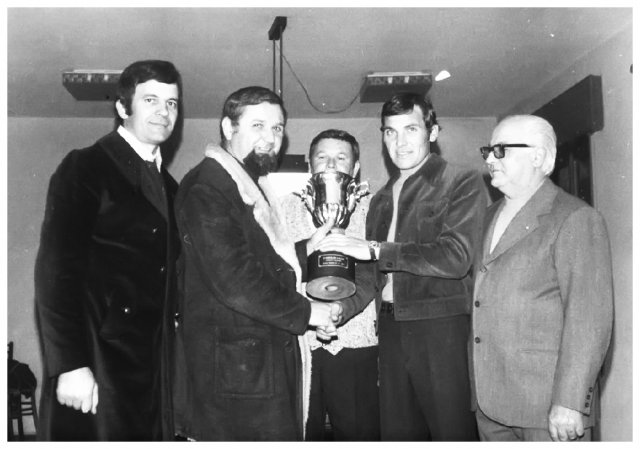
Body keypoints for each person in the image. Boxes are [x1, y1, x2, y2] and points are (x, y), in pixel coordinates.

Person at [172, 86, 341, 441]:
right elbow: (235, 279)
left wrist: (305, 249)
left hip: (254, 368)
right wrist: (308, 312)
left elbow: (258, 257)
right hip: (236, 376)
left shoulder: (243, 182)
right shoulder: (209, 186)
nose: (270, 137)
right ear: (228, 127)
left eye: (277, 128)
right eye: (258, 125)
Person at [317, 93, 485, 441]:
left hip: (440, 329)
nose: (400, 142)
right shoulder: (380, 198)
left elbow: (455, 257)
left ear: (432, 132)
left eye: (411, 129)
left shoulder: (462, 181)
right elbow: (370, 274)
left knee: (452, 433)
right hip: (390, 330)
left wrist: (376, 249)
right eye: (390, 132)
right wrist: (338, 309)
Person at [34, 60, 182, 440]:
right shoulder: (86, 166)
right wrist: (70, 364)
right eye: (150, 100)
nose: (164, 112)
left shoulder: (171, 188)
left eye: (171, 103)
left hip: (152, 369)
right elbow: (55, 272)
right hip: (97, 362)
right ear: (122, 107)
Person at [469, 115, 613, 442]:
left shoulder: (575, 217)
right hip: (489, 405)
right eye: (488, 151)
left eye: (501, 150)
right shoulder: (487, 217)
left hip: (547, 410)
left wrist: (570, 402)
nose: (490, 159)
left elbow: (589, 319)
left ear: (537, 156)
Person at [281, 129, 380, 440]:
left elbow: (374, 274)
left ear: (356, 167)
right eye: (322, 157)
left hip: (356, 342)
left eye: (341, 158)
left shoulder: (375, 207)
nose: (331, 165)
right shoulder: (282, 208)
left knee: (359, 436)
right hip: (297, 342)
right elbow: (272, 270)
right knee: (298, 436)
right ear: (310, 165)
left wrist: (339, 309)